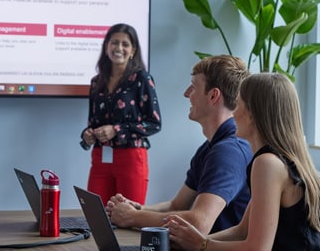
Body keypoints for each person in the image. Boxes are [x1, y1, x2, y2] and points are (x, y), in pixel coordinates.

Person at [165, 73, 320, 251]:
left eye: (237, 105)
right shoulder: (279, 159)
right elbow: (242, 231)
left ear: (252, 114)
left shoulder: (268, 163)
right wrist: (192, 241)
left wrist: (201, 245)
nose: (233, 114)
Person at [106, 55, 252, 235]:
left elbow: (199, 222)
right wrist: (137, 209)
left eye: (194, 86)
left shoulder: (228, 152)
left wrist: (132, 217)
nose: (186, 93)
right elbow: (175, 205)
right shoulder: (211, 147)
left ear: (213, 95)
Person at [80, 23, 161, 205]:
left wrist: (116, 130)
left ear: (133, 50)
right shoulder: (96, 82)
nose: (119, 48)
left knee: (129, 218)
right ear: (107, 46)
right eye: (114, 42)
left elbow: (154, 123)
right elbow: (93, 122)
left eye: (125, 44)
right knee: (96, 213)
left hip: (131, 158)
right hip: (101, 158)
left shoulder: (142, 79)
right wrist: (88, 135)